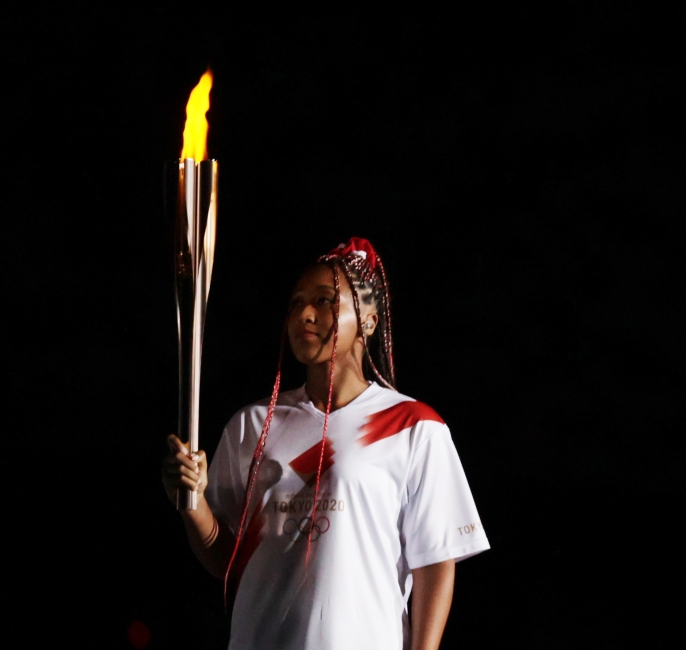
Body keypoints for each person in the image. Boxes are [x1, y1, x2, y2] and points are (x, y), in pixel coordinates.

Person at [162, 237, 489, 650]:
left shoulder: (413, 426)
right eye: (296, 303)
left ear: (369, 320)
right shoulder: (252, 425)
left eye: (324, 300)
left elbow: (436, 564)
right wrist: (192, 503)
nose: (306, 314)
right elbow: (224, 560)